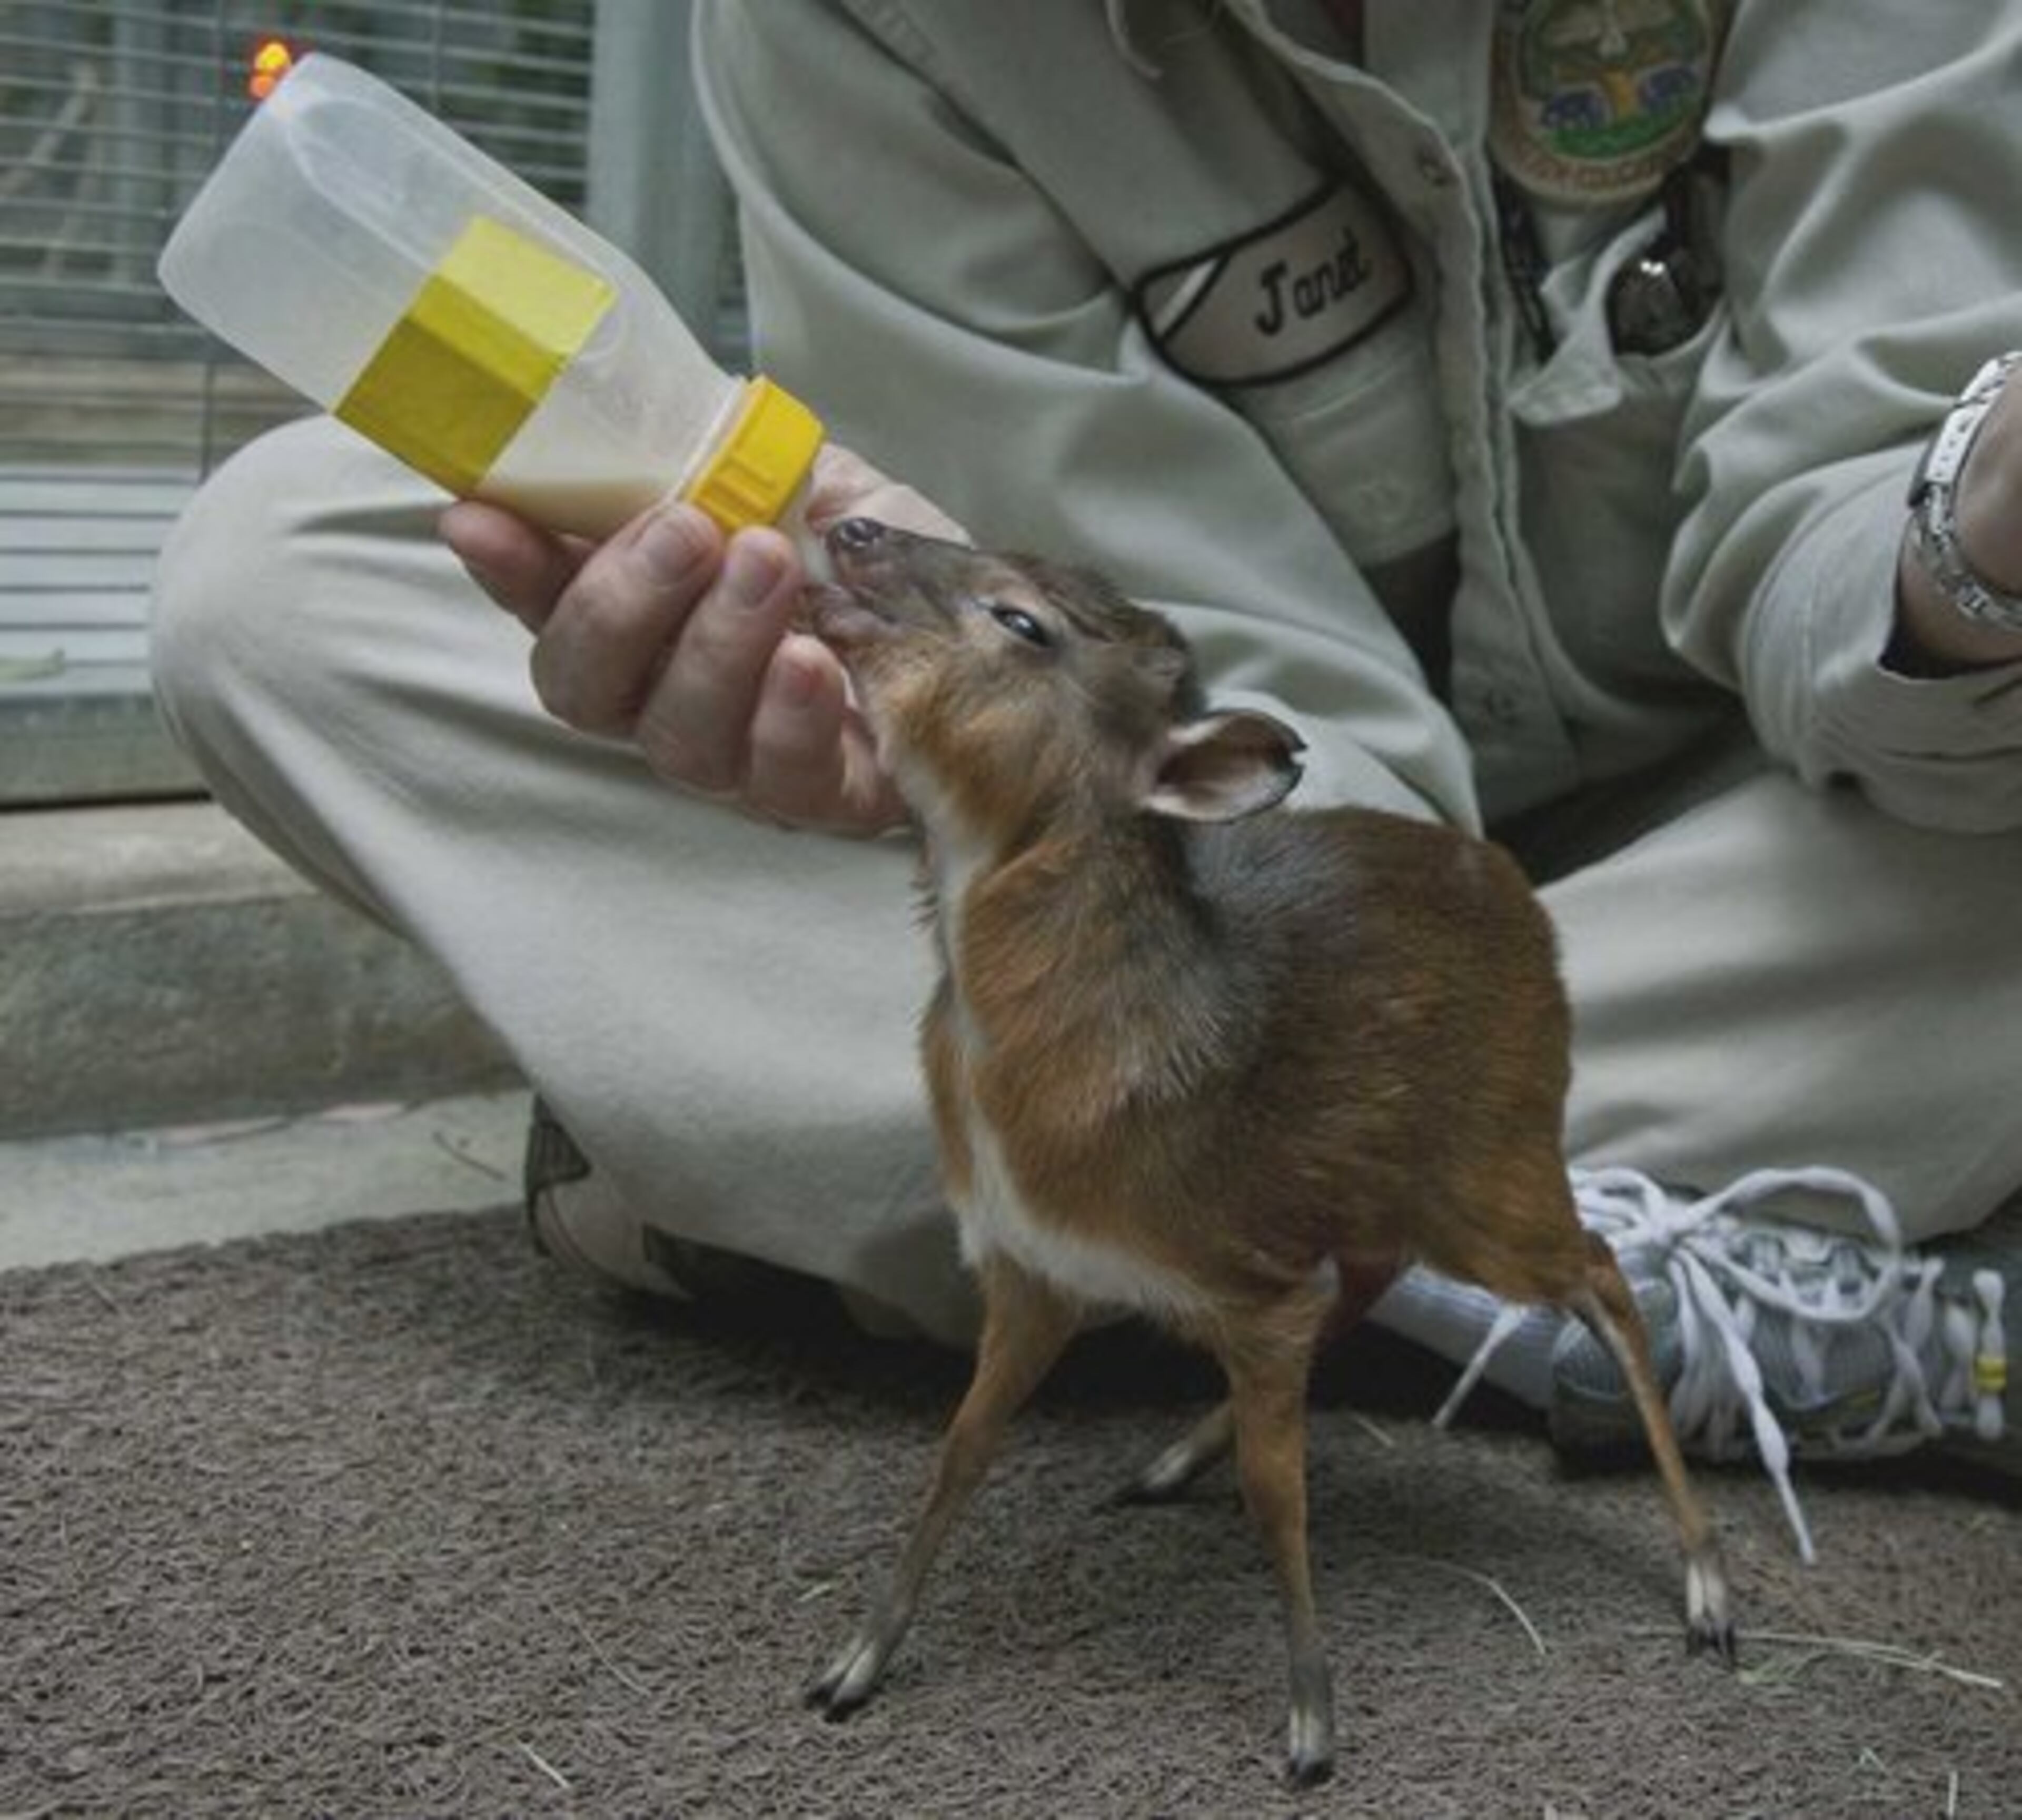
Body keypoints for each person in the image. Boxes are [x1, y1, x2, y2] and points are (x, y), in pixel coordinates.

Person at [151, 0, 2018, 1557]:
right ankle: (1565, 1239)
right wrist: (947, 768)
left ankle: (918, 1203)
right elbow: (1181, 702)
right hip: (1220, 914)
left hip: (1778, 835)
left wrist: (1984, 524)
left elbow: (1863, 585)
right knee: (287, 573)